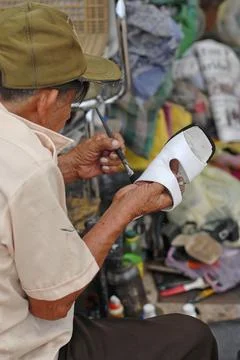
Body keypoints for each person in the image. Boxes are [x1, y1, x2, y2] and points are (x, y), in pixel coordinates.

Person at [0, 2, 218, 360]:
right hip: (21, 348)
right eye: (77, 94)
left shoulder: (23, 157)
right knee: (190, 337)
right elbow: (52, 304)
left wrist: (65, 166)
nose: (72, 110)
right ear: (49, 98)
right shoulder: (30, 168)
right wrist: (125, 208)